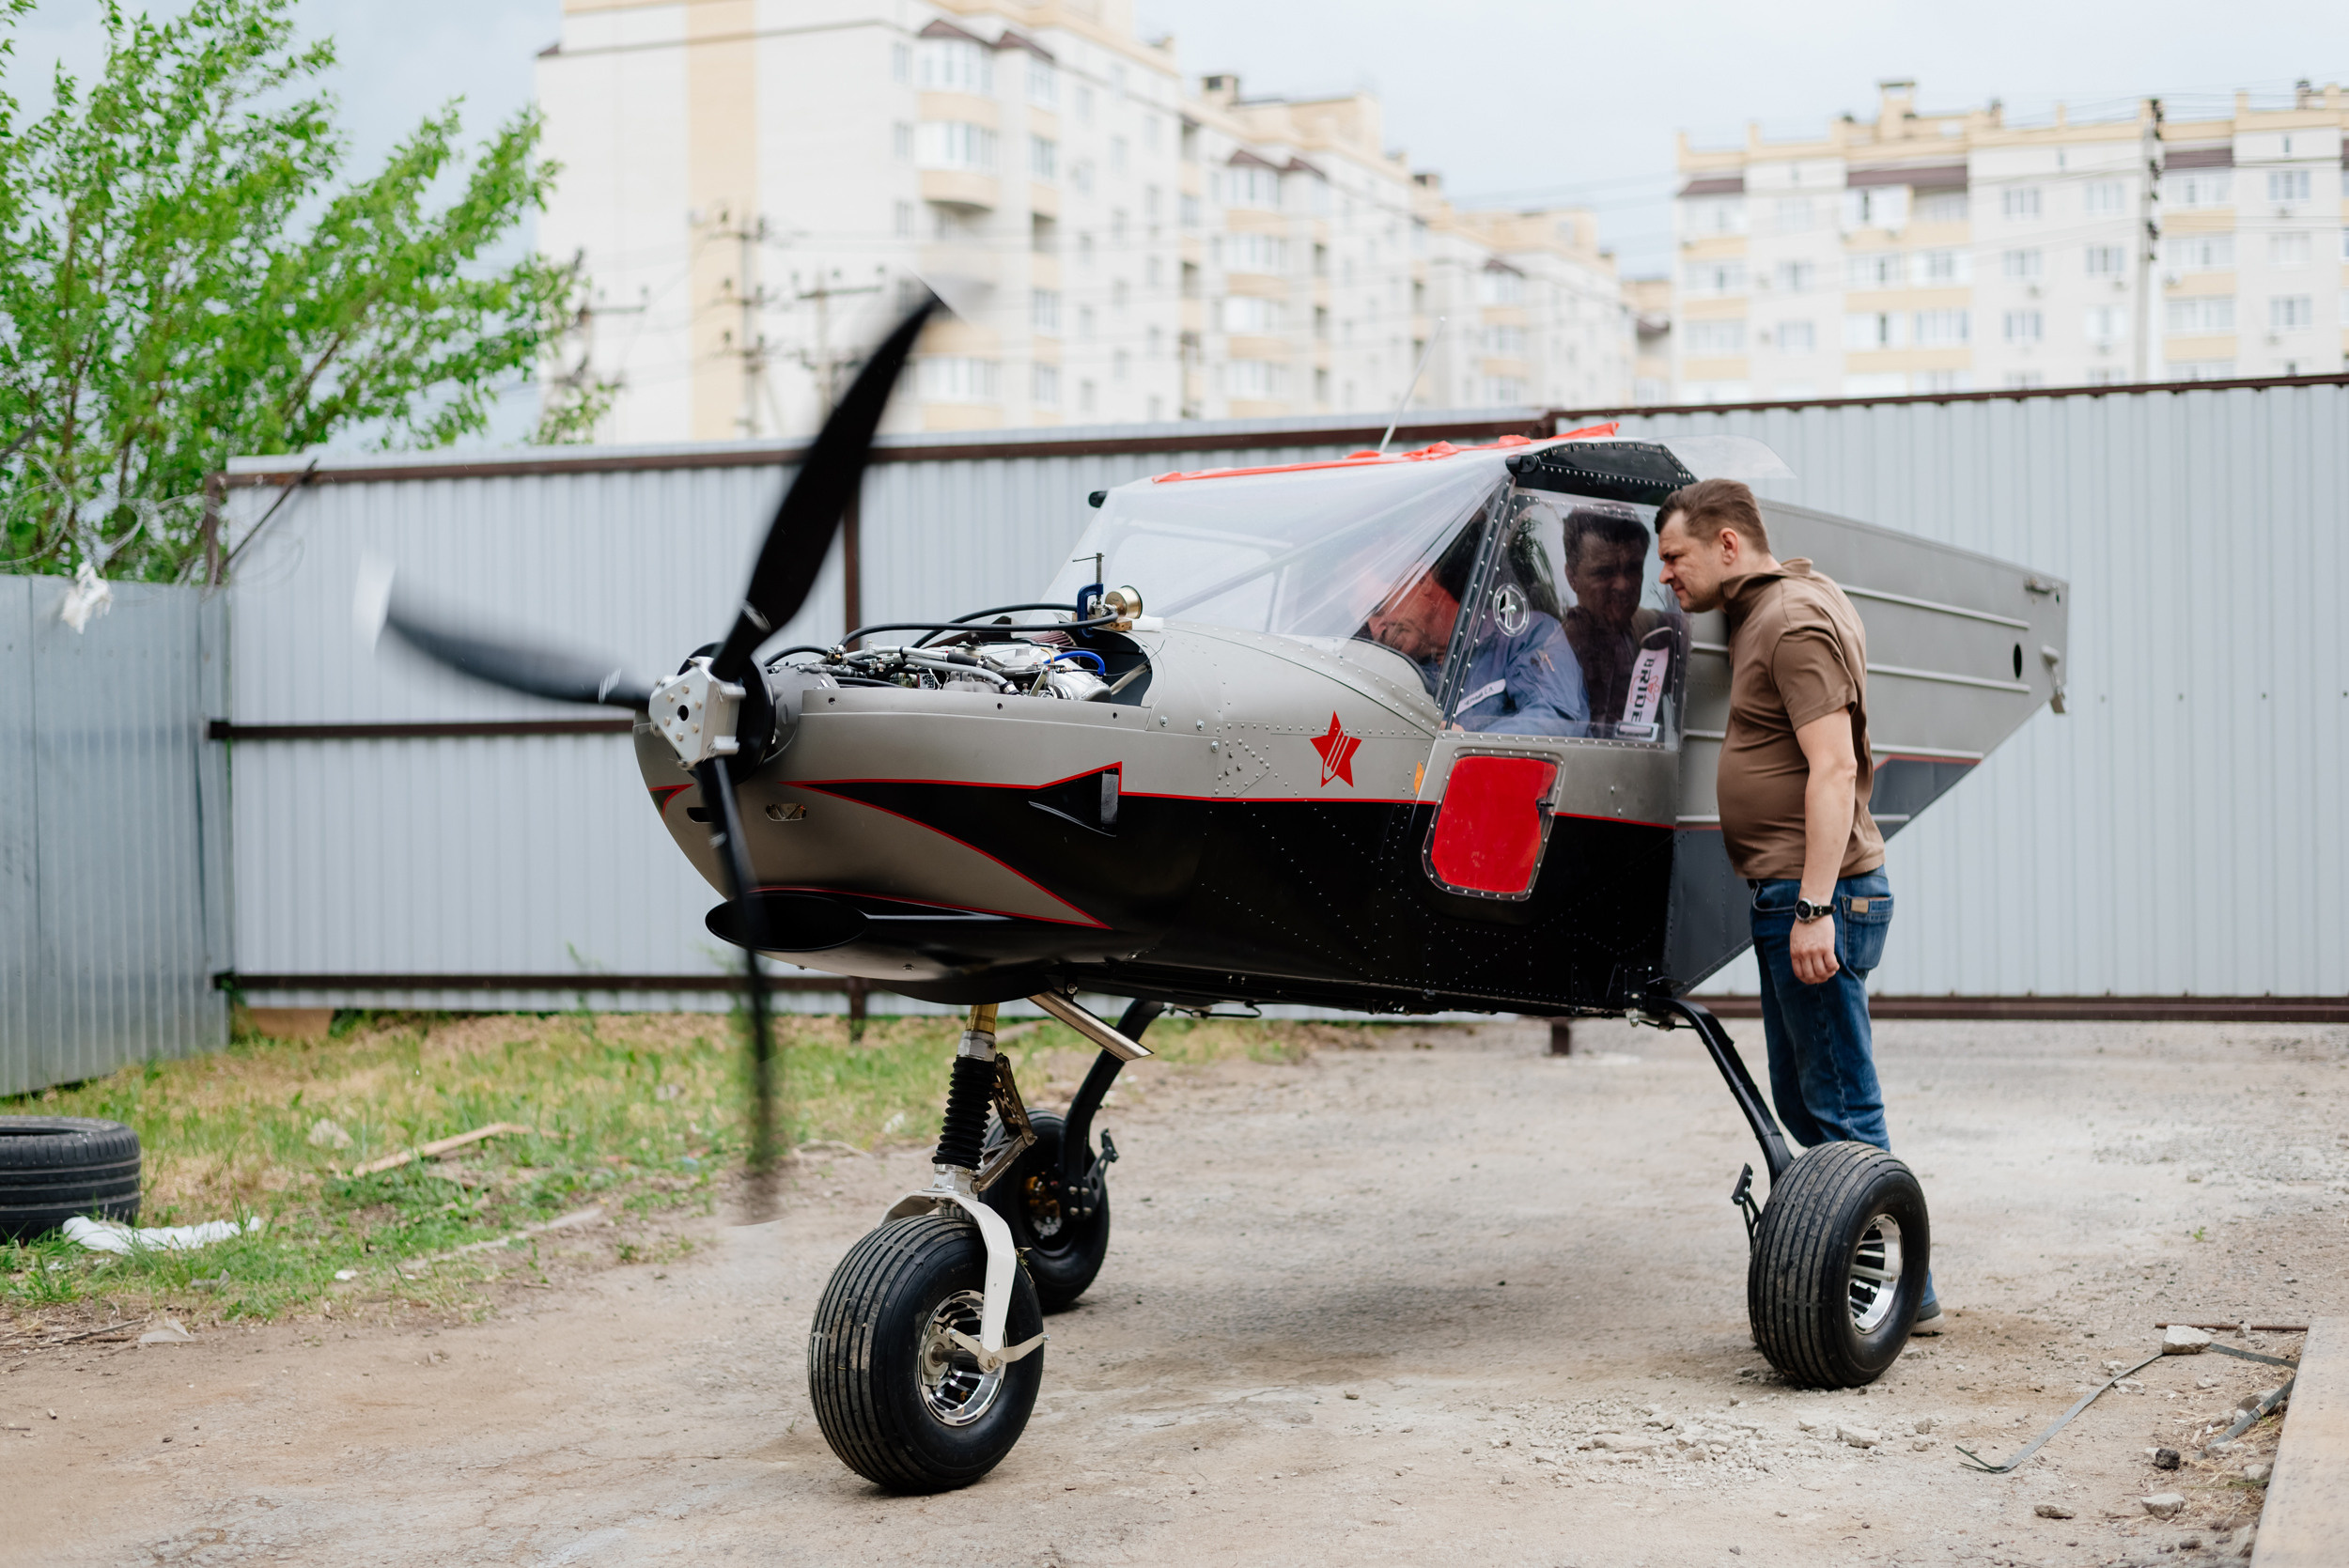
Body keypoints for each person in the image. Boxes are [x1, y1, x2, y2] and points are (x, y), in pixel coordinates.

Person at [1653, 476, 1939, 1333]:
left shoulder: (1791, 619)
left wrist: (1814, 906)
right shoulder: (1770, 608)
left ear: (1728, 544)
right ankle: (1874, 1277)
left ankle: (1898, 1296)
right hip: (1793, 893)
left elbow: (1836, 767)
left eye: (1675, 557)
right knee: (1810, 1100)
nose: (1666, 575)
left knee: (1842, 1106)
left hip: (1819, 893)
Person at [1360, 524, 1588, 735]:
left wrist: (1465, 745)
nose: (1375, 630)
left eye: (1379, 609)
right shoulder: (1404, 679)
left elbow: (1555, 720)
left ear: (1421, 580)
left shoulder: (1527, 636)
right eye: (1364, 621)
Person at [1560, 504, 1673, 726]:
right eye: (1605, 572)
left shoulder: (1658, 630)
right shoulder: (1554, 652)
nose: (1623, 585)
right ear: (1572, 577)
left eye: (1633, 568)